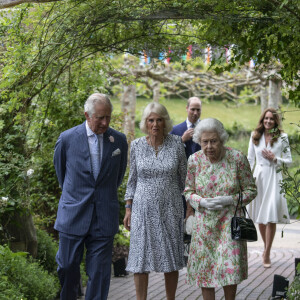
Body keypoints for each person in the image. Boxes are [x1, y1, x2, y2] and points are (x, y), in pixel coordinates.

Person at [53, 93, 128, 300]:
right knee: (67, 266)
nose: (105, 123)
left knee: (100, 273)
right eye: (100, 118)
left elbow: (118, 176)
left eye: (108, 118)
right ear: (87, 115)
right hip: (73, 214)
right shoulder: (67, 139)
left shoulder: (119, 141)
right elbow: (62, 174)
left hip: (103, 216)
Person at [184, 118, 257, 300]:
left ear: (222, 139)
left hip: (229, 224)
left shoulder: (237, 158)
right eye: (205, 142)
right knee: (205, 273)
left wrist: (230, 200)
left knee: (229, 271)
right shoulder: (194, 160)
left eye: (213, 141)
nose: (209, 146)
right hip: (204, 228)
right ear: (199, 141)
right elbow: (188, 191)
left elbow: (251, 190)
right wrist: (201, 202)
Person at [123, 102, 187, 300]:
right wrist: (128, 208)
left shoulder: (177, 143)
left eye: (159, 120)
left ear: (165, 122)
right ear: (145, 123)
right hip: (142, 209)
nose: (155, 124)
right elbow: (132, 179)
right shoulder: (137, 146)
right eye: (151, 120)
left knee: (171, 258)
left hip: (171, 209)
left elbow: (185, 179)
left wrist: (190, 209)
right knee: (140, 259)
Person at [247, 108, 292, 268]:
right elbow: (250, 159)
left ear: (276, 121)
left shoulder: (283, 137)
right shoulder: (255, 136)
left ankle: (266, 252)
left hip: (274, 177)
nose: (268, 121)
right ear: (262, 119)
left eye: (271, 119)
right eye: (266, 119)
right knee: (260, 215)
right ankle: (266, 248)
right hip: (259, 178)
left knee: (270, 215)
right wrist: (246, 179)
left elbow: (289, 161)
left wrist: (275, 158)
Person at [171, 96, 202, 217]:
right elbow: (168, 154)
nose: (195, 113)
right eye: (193, 109)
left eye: (198, 110)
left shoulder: (207, 129)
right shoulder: (175, 130)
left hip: (201, 179)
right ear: (187, 108)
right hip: (181, 180)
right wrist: (182, 140)